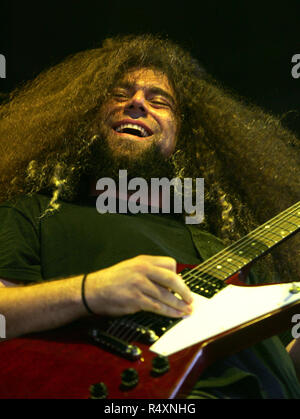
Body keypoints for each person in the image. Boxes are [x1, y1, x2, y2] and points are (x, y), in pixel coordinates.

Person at [0, 34, 299, 399]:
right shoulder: (35, 213)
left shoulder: (223, 245)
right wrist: (91, 290)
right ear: (86, 115)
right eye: (120, 94)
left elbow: (272, 364)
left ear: (181, 137)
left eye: (160, 101)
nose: (137, 103)